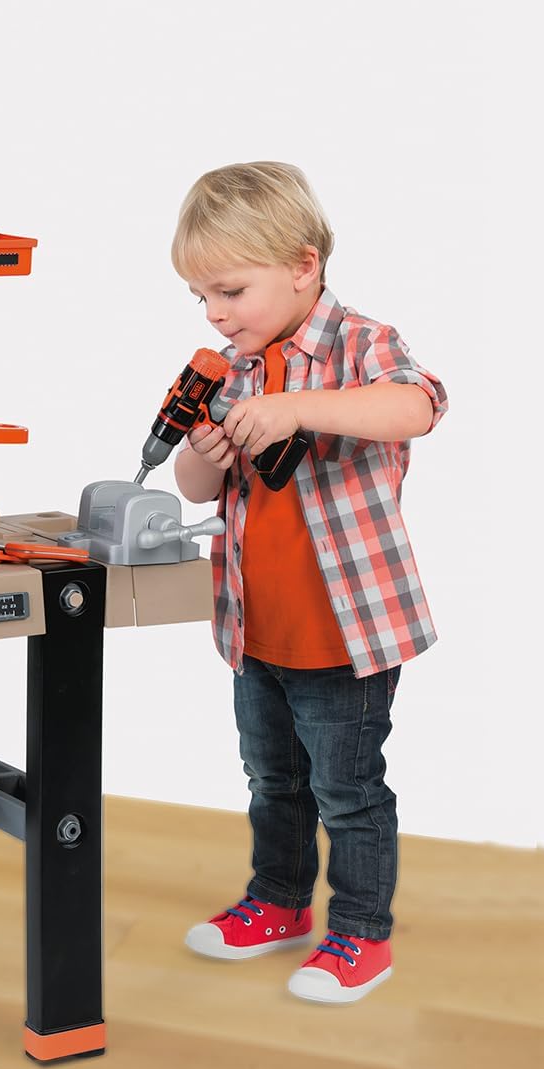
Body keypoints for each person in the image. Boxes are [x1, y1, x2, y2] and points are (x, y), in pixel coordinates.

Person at [171, 162, 447, 1004]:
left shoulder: (361, 344)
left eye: (228, 289)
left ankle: (361, 935)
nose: (215, 313)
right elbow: (190, 486)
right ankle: (279, 901)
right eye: (199, 297)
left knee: (347, 791)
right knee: (271, 781)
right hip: (256, 627)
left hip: (344, 632)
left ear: (302, 266)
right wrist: (203, 455)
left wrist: (298, 410)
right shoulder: (231, 366)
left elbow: (416, 405)